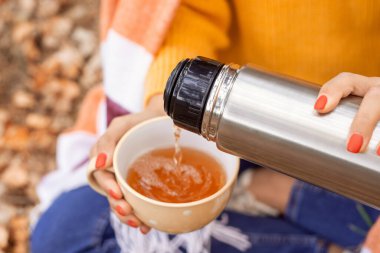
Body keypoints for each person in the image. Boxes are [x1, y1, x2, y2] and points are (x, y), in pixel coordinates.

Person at [31, 1, 380, 252]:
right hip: (229, 116)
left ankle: (291, 206)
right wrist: (160, 104)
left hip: (359, 140)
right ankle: (279, 193)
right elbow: (185, 10)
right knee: (68, 234)